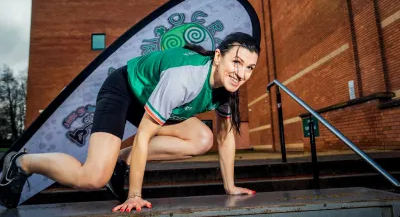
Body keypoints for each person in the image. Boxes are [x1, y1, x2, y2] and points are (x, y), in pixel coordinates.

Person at [0, 32, 260, 212]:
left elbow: (225, 138)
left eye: (250, 67)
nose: (241, 73)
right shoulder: (185, 78)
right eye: (237, 62)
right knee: (92, 178)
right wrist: (134, 195)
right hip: (123, 90)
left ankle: (121, 160)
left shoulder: (229, 87)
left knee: (203, 138)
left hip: (151, 98)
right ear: (218, 57)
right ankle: (22, 162)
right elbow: (144, 136)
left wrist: (230, 187)